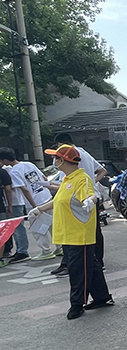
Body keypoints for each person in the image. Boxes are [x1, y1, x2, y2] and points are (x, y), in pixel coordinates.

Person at [27, 144, 112, 319]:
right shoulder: (67, 179)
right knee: (91, 266)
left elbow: (90, 195)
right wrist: (39, 209)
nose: (54, 161)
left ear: (64, 160)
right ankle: (102, 297)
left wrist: (90, 201)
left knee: (78, 271)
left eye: (56, 158)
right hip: (68, 233)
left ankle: (77, 304)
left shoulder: (82, 179)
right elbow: (58, 201)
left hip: (79, 234)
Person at [50, 134, 106, 277]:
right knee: (94, 233)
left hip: (80, 199)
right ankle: (95, 262)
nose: (55, 160)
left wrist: (90, 190)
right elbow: (102, 171)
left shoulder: (71, 160)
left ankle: (72, 264)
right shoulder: (84, 153)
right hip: (85, 197)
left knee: (76, 236)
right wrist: (93, 183)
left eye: (56, 157)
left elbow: (82, 188)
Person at [0, 148, 53, 262]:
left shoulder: (14, 172)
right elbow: (44, 177)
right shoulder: (28, 164)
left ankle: (46, 251)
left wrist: (34, 206)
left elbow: (24, 189)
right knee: (52, 224)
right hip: (46, 196)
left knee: (37, 228)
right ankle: (60, 247)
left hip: (34, 201)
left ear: (4, 160)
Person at [0, 163, 12, 264]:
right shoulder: (2, 172)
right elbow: (8, 190)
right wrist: (10, 205)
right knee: (2, 232)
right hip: (1, 207)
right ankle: (2, 256)